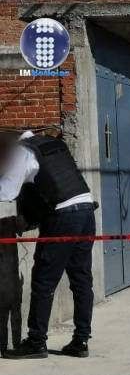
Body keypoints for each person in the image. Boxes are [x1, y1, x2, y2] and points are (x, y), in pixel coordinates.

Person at [0, 129, 96, 359]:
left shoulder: (23, 151)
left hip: (63, 216)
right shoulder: (54, 145)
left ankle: (36, 342)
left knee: (44, 280)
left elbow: (6, 191)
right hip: (86, 210)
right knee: (81, 279)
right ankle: (81, 340)